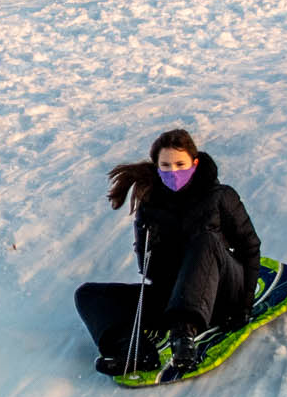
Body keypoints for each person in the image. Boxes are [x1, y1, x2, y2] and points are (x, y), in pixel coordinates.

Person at [73, 128, 262, 382]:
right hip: (177, 296)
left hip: (224, 292)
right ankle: (134, 350)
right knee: (88, 294)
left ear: (194, 164)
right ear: (157, 167)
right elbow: (150, 271)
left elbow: (249, 247)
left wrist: (244, 306)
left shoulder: (220, 196)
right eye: (166, 165)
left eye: (180, 164)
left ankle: (184, 334)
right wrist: (151, 238)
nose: (173, 172)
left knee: (205, 239)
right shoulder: (151, 205)